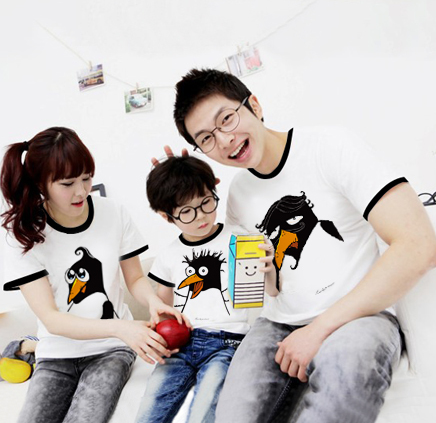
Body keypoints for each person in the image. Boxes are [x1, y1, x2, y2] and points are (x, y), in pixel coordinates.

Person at [167, 68, 436, 423]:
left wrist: (318, 329)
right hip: (276, 324)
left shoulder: (331, 147)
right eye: (206, 138)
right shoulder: (239, 194)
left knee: (343, 387)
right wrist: (179, 187)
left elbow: (419, 244)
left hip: (360, 316)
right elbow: (264, 290)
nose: (225, 140)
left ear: (254, 105)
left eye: (227, 119)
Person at [0, 127, 189, 423]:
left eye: (86, 178)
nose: (81, 191)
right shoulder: (24, 232)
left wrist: (153, 302)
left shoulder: (113, 213)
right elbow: (51, 319)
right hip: (57, 353)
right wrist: (122, 328)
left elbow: (135, 279)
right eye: (67, 183)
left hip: (111, 351)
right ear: (40, 183)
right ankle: (26, 347)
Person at [135, 155, 277, 423]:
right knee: (149, 411)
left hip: (227, 342)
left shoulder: (240, 237)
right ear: (166, 216)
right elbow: (163, 307)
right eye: (187, 211)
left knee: (204, 411)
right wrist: (159, 336)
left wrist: (269, 270)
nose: (201, 216)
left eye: (206, 202)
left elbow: (271, 293)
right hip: (182, 342)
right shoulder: (168, 255)